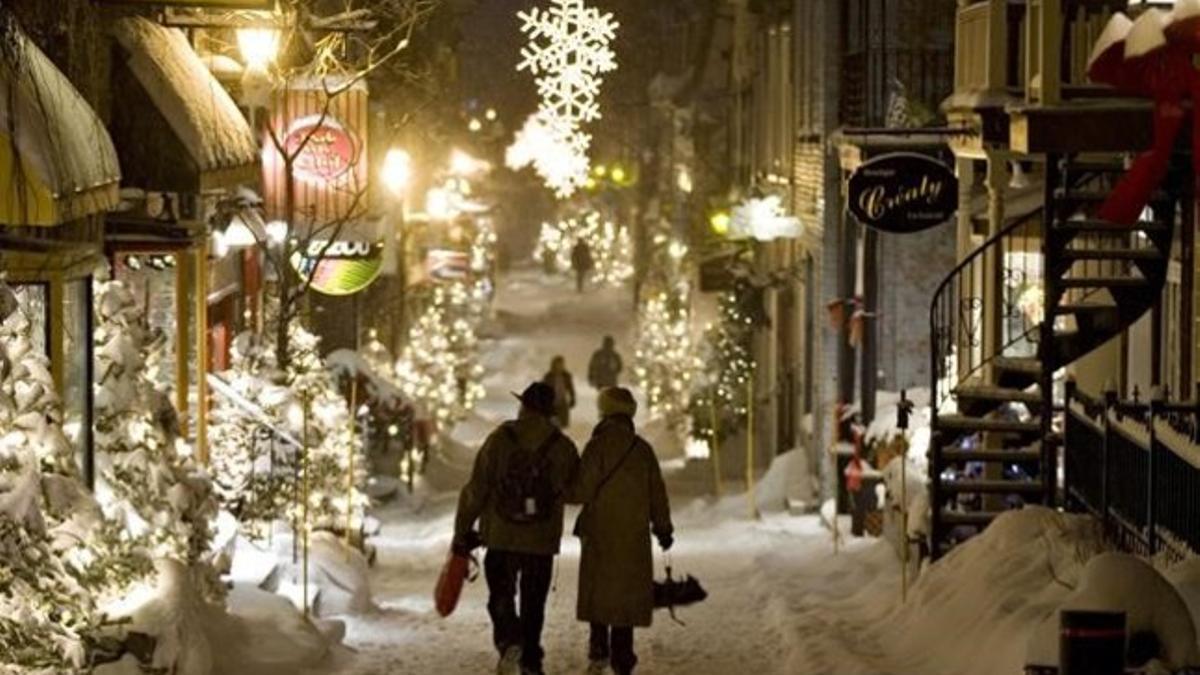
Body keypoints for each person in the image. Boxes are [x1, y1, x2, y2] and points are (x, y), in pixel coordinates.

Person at [453, 382, 581, 675]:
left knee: (500, 594)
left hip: (501, 533)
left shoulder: (500, 438)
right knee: (534, 603)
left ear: (524, 406)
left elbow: (477, 488)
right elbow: (576, 492)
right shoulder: (561, 445)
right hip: (540, 539)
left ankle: (509, 640)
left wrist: (462, 530)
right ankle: (531, 662)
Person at [569, 387, 674, 675]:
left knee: (599, 590)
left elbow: (581, 490)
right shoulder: (642, 450)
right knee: (625, 595)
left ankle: (599, 648)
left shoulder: (597, 446)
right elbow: (657, 494)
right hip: (632, 536)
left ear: (604, 412)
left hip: (600, 533)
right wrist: (663, 529)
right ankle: (623, 657)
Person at [542, 355, 576, 428]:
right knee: (551, 424)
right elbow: (543, 390)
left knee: (562, 424)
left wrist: (573, 399)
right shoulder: (548, 376)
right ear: (554, 364)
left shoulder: (566, 376)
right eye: (559, 364)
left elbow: (571, 389)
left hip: (562, 403)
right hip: (551, 404)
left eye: (562, 364)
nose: (561, 366)